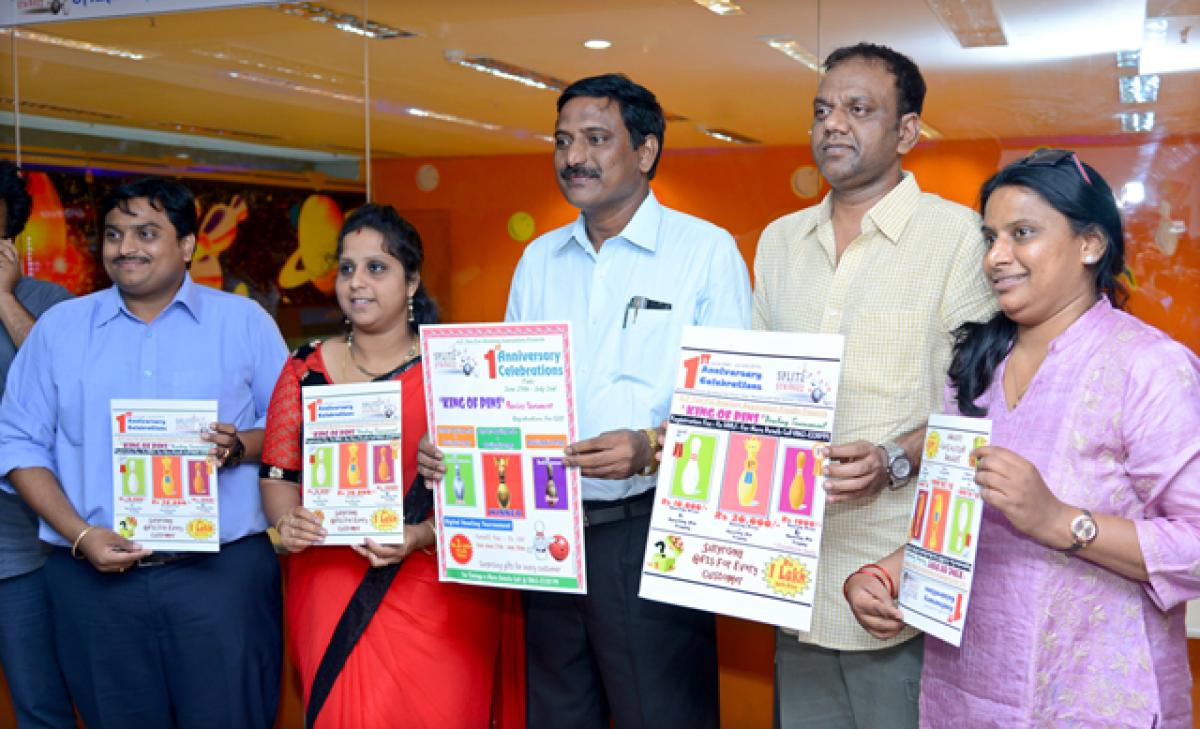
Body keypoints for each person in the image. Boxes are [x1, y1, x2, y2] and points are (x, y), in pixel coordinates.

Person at [419, 73, 752, 728]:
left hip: (650, 530)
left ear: (646, 150)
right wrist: (457, 448)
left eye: (597, 139)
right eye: (564, 140)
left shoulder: (705, 252)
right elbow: (506, 397)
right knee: (558, 716)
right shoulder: (538, 260)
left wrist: (650, 446)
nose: (574, 157)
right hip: (546, 537)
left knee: (663, 715)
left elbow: (731, 411)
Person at [845, 150, 1200, 728]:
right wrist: (883, 576)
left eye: (1022, 234)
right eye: (991, 237)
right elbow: (959, 527)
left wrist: (1059, 520)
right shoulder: (975, 366)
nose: (996, 257)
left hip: (1098, 700)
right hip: (968, 692)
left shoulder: (1149, 367)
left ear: (1090, 245)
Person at [752, 43, 995, 727]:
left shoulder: (956, 237)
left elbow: (979, 407)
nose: (834, 125)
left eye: (859, 110)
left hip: (897, 583)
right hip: (789, 572)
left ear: (907, 132)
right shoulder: (779, 241)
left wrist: (896, 456)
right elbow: (752, 397)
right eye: (823, 110)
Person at [0, 177, 287, 729]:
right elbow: (17, 442)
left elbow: (288, 429)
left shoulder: (244, 322)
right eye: (114, 233)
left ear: (185, 245)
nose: (126, 246)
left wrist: (237, 446)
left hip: (220, 580)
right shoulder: (60, 329)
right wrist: (80, 534)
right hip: (93, 583)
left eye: (146, 232)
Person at [260, 203, 523, 729]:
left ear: (412, 282)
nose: (357, 282)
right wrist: (288, 524)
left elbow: (501, 489)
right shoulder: (305, 367)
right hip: (329, 581)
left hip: (436, 589)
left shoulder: (456, 370)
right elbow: (279, 472)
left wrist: (423, 533)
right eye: (347, 267)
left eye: (377, 267)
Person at [0, 160, 76, 729]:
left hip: (19, 553)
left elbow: (63, 384)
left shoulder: (48, 303)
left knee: (39, 705)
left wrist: (3, 298)